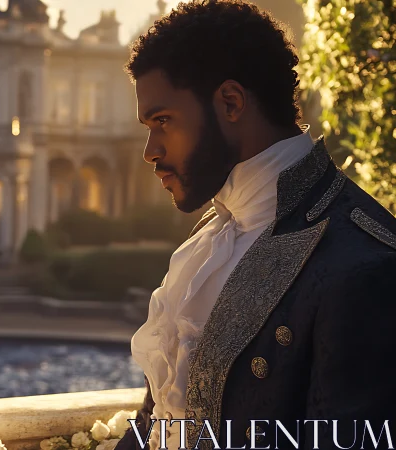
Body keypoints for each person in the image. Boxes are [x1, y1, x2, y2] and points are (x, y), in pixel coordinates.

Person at [116, 1, 396, 449]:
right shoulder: (207, 241)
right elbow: (158, 419)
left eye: (163, 121)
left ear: (230, 102)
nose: (150, 150)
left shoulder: (364, 263)